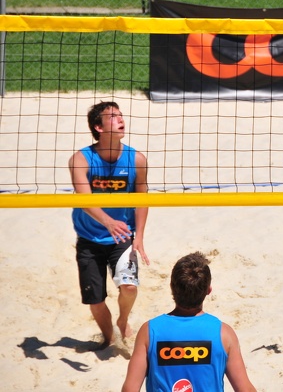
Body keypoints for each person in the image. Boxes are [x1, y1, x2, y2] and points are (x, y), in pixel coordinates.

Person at [69, 101, 149, 348]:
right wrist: (108, 221)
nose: (120, 119)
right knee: (95, 300)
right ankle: (109, 339)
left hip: (122, 235)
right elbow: (84, 201)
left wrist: (140, 237)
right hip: (89, 238)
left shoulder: (136, 159)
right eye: (112, 117)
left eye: (120, 115)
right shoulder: (80, 159)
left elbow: (143, 199)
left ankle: (123, 321)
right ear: (98, 127)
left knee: (129, 287)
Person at [122, 252, 257, 392]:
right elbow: (245, 389)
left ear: (171, 287)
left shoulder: (150, 331)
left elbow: (130, 389)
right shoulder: (223, 333)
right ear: (208, 291)